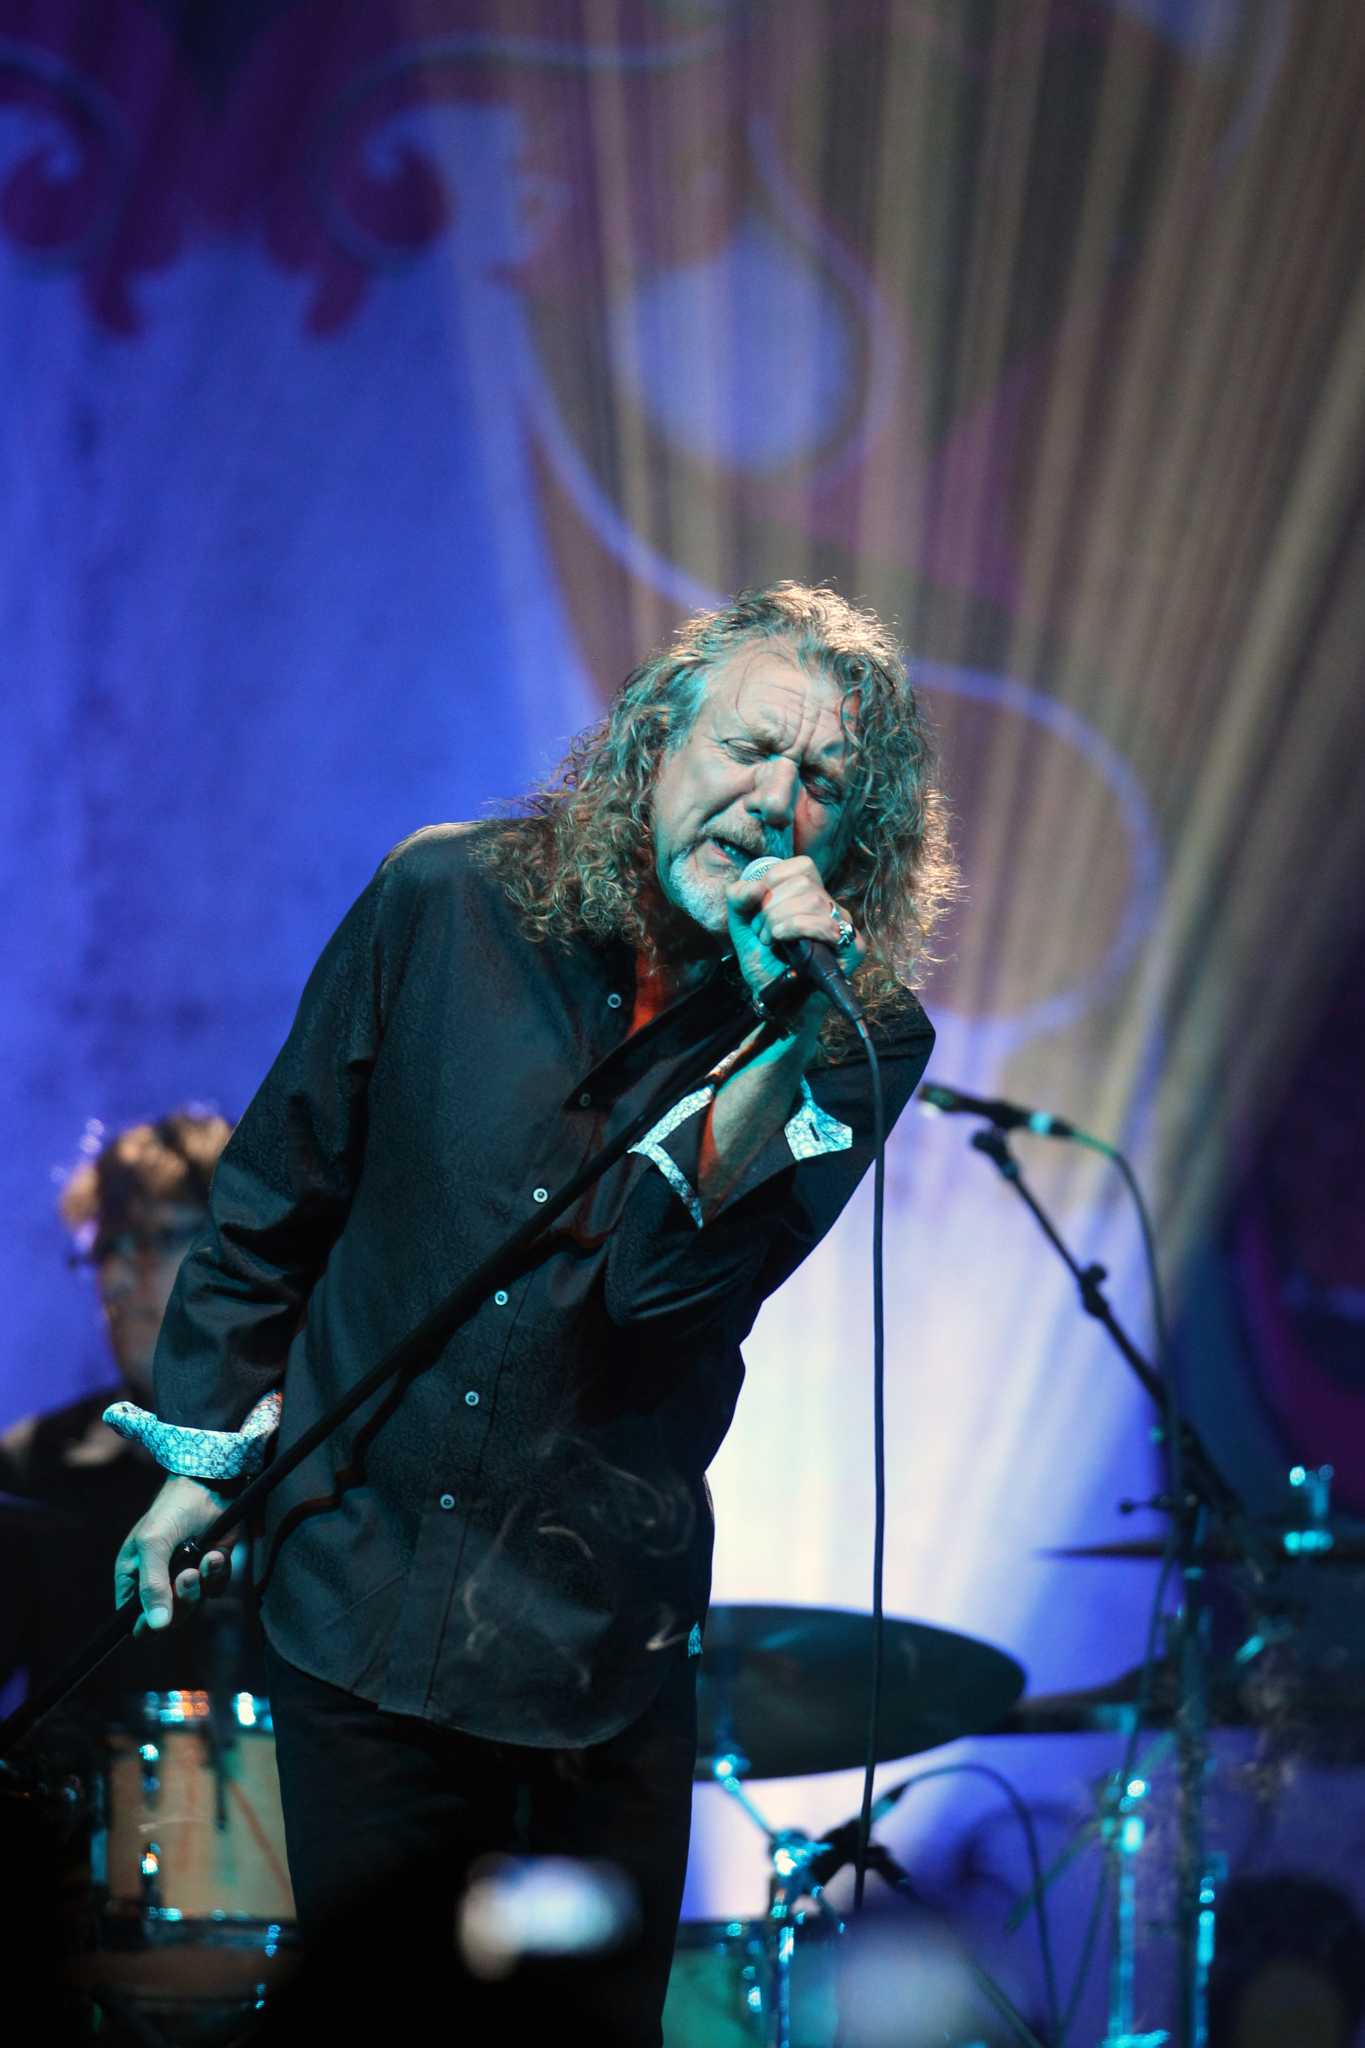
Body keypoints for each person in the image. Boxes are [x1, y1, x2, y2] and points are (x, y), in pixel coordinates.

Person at [110, 582, 955, 2043]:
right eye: (750, 749)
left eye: (825, 780)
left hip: (592, 1664)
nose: (777, 801)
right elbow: (275, 1192)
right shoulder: (444, 901)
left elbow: (657, 1292)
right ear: (653, 746)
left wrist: (774, 1041)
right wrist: (201, 1455)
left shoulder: (851, 1040)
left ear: (856, 840)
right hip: (357, 1598)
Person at [0, 1108, 265, 1734]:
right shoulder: (33, 1461)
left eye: (150, 1240)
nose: (115, 1280)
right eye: (103, 1250)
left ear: (236, 1249)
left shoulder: (324, 1448)